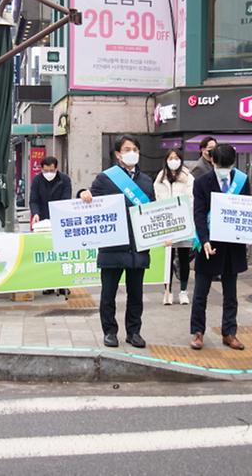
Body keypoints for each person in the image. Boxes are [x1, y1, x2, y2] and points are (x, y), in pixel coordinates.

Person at [79, 135, 155, 348]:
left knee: (136, 295)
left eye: (135, 149)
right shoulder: (105, 178)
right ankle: (110, 332)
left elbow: (153, 210)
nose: (132, 153)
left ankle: (134, 332)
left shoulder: (146, 181)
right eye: (127, 149)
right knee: (108, 294)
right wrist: (82, 194)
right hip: (112, 246)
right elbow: (89, 199)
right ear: (118, 154)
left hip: (137, 247)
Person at [190, 144, 252, 351]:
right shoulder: (201, 182)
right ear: (212, 162)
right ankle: (198, 332)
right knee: (200, 293)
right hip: (208, 245)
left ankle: (229, 332)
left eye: (228, 165)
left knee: (231, 294)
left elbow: (248, 209)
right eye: (220, 165)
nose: (224, 169)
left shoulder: (241, 181)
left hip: (232, 246)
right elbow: (198, 214)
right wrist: (204, 240)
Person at [153, 149, 194, 306]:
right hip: (165, 225)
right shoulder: (160, 178)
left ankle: (183, 291)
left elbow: (191, 199)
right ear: (166, 160)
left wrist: (182, 216)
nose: (173, 160)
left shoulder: (188, 178)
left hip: (183, 223)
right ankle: (167, 291)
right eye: (170, 158)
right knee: (167, 260)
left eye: (176, 158)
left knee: (184, 259)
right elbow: (156, 200)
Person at [29, 155, 72, 295]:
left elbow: (66, 200)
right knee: (47, 252)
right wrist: (35, 214)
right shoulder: (37, 180)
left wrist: (59, 216)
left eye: (51, 170)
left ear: (56, 168)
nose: (49, 173)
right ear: (41, 169)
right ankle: (49, 283)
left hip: (60, 218)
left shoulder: (64, 180)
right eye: (46, 170)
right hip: (42, 220)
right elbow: (33, 200)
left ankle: (63, 284)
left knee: (62, 253)